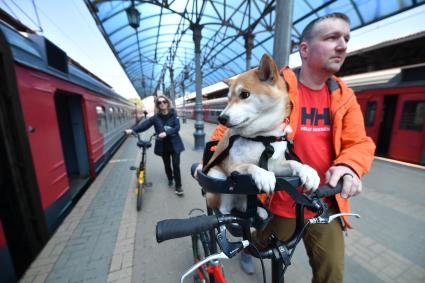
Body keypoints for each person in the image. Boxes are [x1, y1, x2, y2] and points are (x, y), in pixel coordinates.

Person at [204, 13, 376, 282]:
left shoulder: (344, 95)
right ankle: (250, 246)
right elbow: (229, 132)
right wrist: (211, 161)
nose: (342, 45)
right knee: (262, 252)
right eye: (332, 38)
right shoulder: (274, 84)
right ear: (304, 49)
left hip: (323, 200)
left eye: (346, 38)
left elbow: (359, 142)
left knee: (332, 272)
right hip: (278, 200)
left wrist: (349, 166)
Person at [125, 95, 185, 196]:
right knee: (167, 164)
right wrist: (133, 130)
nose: (162, 104)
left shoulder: (173, 113)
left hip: (175, 144)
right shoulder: (156, 117)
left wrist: (167, 133)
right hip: (163, 145)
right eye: (159, 102)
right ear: (157, 105)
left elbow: (177, 127)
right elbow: (145, 125)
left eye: (164, 102)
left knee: (175, 165)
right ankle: (170, 178)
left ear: (167, 102)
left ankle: (178, 187)